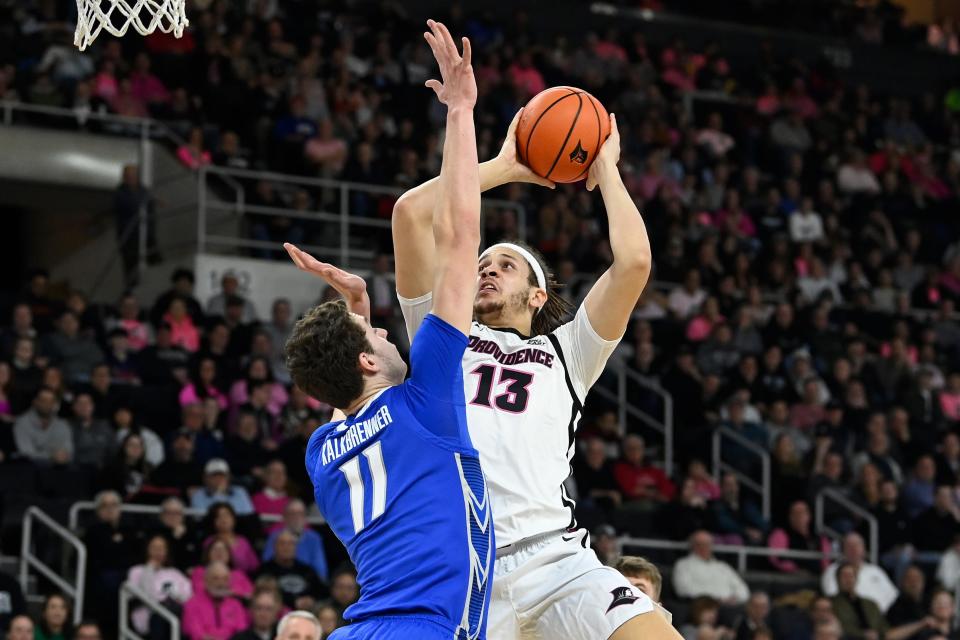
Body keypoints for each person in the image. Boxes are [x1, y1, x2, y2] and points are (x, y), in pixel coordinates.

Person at [391, 23, 674, 640]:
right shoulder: (440, 333)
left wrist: (605, 171)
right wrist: (502, 168)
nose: (487, 269)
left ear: (538, 294)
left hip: (558, 560)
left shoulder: (569, 351)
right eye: (481, 262)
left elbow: (634, 264)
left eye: (505, 264)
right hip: (462, 567)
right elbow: (411, 215)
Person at [286, 21, 497, 640]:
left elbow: (346, 391)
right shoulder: (427, 397)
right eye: (377, 338)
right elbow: (460, 235)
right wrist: (461, 111)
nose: (387, 336)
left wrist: (355, 306)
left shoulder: (323, 453)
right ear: (368, 364)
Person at [126, 535, 192, 636]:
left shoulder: (174, 572)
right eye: (154, 548)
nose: (158, 551)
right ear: (147, 550)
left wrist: (176, 598)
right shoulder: (137, 571)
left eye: (161, 548)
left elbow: (188, 595)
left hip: (175, 614)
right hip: (149, 616)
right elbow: (144, 595)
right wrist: (149, 569)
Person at [821, 532, 899, 612]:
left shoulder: (875, 570)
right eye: (849, 546)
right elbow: (834, 598)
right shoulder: (832, 571)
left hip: (887, 617)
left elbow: (893, 595)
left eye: (857, 545)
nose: (854, 549)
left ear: (864, 549)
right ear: (843, 550)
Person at [673, 530, 750, 604]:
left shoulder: (723, 566)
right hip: (702, 606)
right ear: (693, 546)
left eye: (708, 544)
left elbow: (743, 590)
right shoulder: (683, 565)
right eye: (700, 544)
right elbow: (683, 590)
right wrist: (715, 600)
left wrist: (734, 599)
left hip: (729, 606)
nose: (704, 547)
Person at [262, 499, 328, 582]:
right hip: (278, 578)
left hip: (306, 580)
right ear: (284, 517)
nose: (297, 517)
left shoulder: (314, 538)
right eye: (292, 514)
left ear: (305, 517)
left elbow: (320, 569)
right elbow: (267, 563)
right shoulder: (275, 536)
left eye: (300, 514)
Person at [256, 531, 325, 609]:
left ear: (296, 547)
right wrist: (293, 602)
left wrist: (312, 600)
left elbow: (321, 592)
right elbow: (263, 597)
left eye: (290, 543)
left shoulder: (306, 570)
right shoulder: (264, 571)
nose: (286, 547)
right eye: (282, 543)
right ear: (274, 547)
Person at [182, 562, 249, 640]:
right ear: (206, 580)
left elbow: (242, 632)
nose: (221, 583)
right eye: (215, 578)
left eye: (225, 579)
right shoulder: (192, 604)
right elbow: (196, 635)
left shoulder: (236, 605)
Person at [13, 387, 72, 464]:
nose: (48, 404)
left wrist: (64, 455)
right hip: (30, 470)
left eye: (51, 401)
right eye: (43, 400)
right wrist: (51, 456)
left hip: (59, 471)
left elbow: (68, 451)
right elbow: (26, 453)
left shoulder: (62, 424)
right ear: (35, 402)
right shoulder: (22, 422)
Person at [830, 563, 888, 640]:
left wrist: (878, 634)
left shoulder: (870, 604)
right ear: (838, 579)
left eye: (851, 576)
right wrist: (863, 634)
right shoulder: (831, 603)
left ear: (856, 579)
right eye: (844, 576)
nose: (848, 580)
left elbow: (883, 626)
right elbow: (839, 627)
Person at [191, 458, 255, 516]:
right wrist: (218, 494)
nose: (219, 479)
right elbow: (201, 518)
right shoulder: (198, 495)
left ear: (228, 477)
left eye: (222, 475)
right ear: (206, 478)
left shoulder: (240, 492)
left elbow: (248, 515)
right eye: (214, 476)